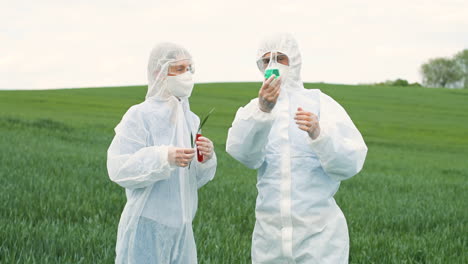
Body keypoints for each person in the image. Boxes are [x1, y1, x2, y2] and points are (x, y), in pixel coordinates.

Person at [226, 33, 367, 263]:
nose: (272, 65)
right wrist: (262, 111)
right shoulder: (254, 108)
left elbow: (351, 163)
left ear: (294, 61)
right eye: (266, 60)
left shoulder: (320, 104)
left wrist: (319, 134)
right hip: (270, 239)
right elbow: (241, 153)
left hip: (319, 240)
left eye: (280, 58)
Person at [107, 42, 217, 264]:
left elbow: (193, 180)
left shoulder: (191, 119)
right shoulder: (139, 115)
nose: (186, 75)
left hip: (182, 227)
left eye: (189, 68)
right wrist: (163, 157)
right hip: (147, 225)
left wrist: (205, 158)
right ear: (159, 72)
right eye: (179, 69)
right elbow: (119, 169)